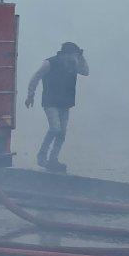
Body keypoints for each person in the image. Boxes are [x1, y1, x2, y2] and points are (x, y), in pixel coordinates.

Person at [25, 42, 89, 173]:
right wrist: (30, 95)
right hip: (50, 102)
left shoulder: (74, 64)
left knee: (62, 133)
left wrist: (81, 58)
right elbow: (36, 77)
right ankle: (42, 157)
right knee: (55, 129)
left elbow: (86, 72)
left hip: (65, 103)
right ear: (64, 54)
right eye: (72, 55)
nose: (73, 59)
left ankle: (53, 159)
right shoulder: (50, 63)